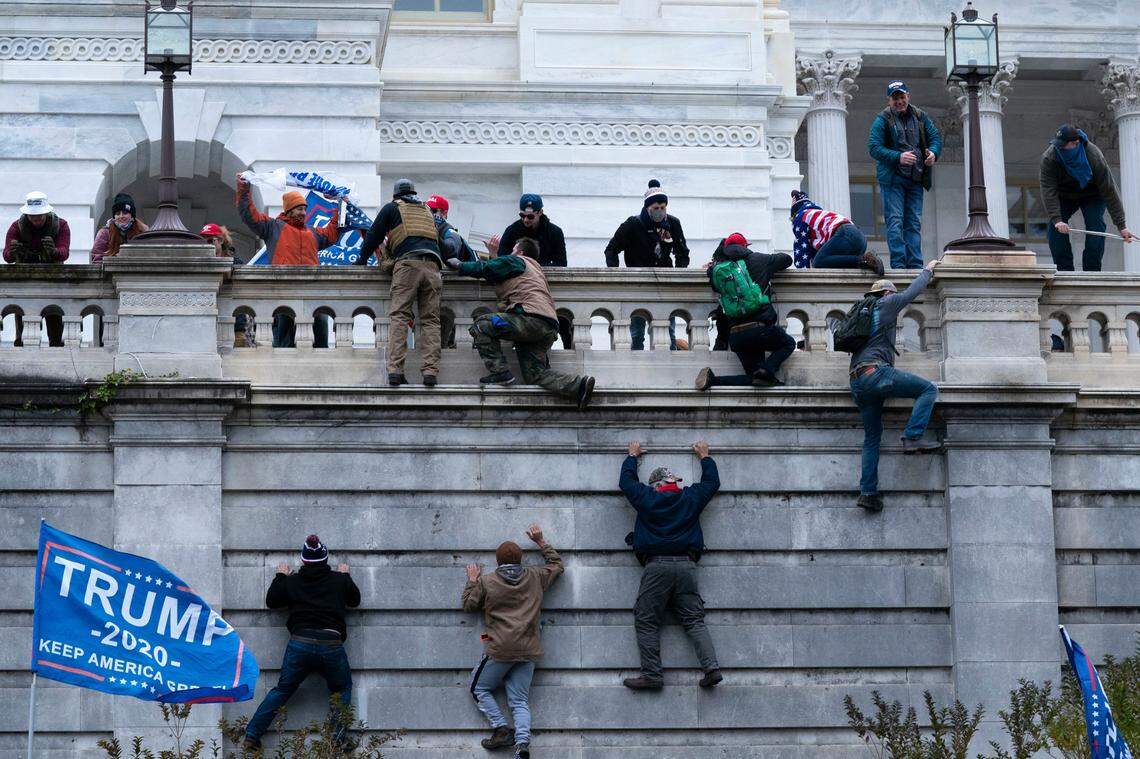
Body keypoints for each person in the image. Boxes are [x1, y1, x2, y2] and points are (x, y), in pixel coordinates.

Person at [244, 535, 361, 753]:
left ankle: (252, 734)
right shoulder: (338, 579)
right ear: (325, 559)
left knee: (283, 690)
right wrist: (347, 576)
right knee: (342, 688)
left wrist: (280, 576)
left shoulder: (292, 581)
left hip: (300, 644)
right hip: (331, 643)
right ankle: (337, 740)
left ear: (303, 561)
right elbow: (354, 600)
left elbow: (272, 601)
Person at [620, 440, 722, 691]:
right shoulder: (689, 498)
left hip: (657, 566)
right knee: (694, 620)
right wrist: (705, 457)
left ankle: (653, 675)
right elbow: (712, 484)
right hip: (687, 566)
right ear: (673, 483)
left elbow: (626, 484)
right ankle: (711, 668)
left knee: (646, 619)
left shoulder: (647, 498)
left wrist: (632, 456)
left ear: (655, 485)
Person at [447, 238, 596, 409]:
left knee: (482, 324)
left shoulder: (517, 260)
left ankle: (500, 372)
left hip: (529, 320)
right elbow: (500, 275)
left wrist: (460, 265)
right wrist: (494, 254)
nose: (511, 253)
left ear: (520, 252)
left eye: (513, 249)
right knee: (535, 375)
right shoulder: (535, 269)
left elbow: (487, 269)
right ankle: (579, 386)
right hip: (547, 326)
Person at [462, 523, 563, 759]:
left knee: (478, 687)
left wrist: (473, 580)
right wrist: (541, 542)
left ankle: (500, 729)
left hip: (501, 650)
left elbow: (468, 605)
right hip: (529, 649)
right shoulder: (536, 576)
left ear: (498, 562)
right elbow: (557, 565)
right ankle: (522, 745)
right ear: (520, 560)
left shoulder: (487, 581)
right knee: (519, 700)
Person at [848, 260, 942, 513]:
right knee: (928, 390)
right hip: (876, 373)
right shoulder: (887, 303)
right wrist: (928, 270)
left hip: (857, 380)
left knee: (872, 438)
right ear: (887, 293)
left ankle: (868, 493)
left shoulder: (863, 311)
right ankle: (912, 437)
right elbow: (911, 293)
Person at [354, 178, 443, 387]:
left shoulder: (392, 208)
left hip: (408, 264)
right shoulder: (428, 212)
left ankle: (396, 371)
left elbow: (373, 236)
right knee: (431, 320)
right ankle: (430, 372)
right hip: (433, 266)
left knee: (400, 316)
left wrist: (361, 260)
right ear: (414, 193)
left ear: (396, 195)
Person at [235, 175, 340, 348]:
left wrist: (339, 205)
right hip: (282, 293)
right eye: (299, 209)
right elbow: (249, 214)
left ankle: (321, 363)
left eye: (304, 209)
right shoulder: (272, 227)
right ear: (289, 210)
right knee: (284, 334)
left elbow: (333, 232)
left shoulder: (313, 233)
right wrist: (244, 189)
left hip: (311, 293)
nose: (303, 213)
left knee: (320, 322)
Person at [696, 233, 796, 389]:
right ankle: (767, 370)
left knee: (756, 379)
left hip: (736, 335)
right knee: (789, 343)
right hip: (759, 329)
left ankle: (713, 380)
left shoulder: (718, 270)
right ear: (744, 247)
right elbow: (787, 260)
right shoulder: (759, 259)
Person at [604, 180, 690, 350]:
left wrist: (679, 274)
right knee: (637, 332)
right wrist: (616, 274)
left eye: (663, 207)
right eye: (656, 208)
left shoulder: (672, 223)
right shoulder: (633, 224)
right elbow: (611, 249)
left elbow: (682, 251)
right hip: (638, 284)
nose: (660, 212)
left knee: (668, 332)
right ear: (647, 208)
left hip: (665, 283)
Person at [867, 81, 942, 270]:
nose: (899, 101)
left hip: (915, 179)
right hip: (893, 180)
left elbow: (935, 138)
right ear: (889, 100)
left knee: (913, 222)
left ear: (908, 96)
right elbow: (874, 148)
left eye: (902, 97)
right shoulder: (882, 119)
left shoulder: (920, 116)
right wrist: (898, 157)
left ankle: (916, 264)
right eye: (895, 98)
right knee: (895, 221)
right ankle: (899, 264)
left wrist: (933, 153)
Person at [1039, 124, 1135, 271]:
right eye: (1059, 145)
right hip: (1064, 195)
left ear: (1076, 144)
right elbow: (1048, 190)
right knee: (1054, 227)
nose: (1060, 148)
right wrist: (1057, 220)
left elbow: (1110, 191)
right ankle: (1064, 270)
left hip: (1093, 194)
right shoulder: (1050, 157)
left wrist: (1122, 226)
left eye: (1064, 145)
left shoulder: (1093, 156)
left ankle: (1092, 269)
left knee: (1095, 223)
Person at [3, 191, 70, 346]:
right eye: (32, 215)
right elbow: (7, 256)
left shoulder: (61, 225)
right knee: (23, 321)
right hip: (25, 281)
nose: (36, 219)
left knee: (54, 320)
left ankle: (56, 347)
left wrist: (53, 251)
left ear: (47, 212)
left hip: (52, 281)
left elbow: (64, 252)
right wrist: (13, 252)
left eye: (39, 215)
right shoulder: (16, 227)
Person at [790, 190, 884, 274]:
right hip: (859, 239)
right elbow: (818, 253)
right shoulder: (817, 215)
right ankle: (868, 261)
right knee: (827, 261)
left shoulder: (801, 216)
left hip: (845, 234)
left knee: (819, 262)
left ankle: (865, 260)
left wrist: (803, 274)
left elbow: (801, 248)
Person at [426, 194, 477, 349]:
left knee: (451, 342)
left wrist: (435, 235)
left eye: (435, 210)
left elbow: (451, 250)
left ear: (444, 213)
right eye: (428, 210)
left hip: (461, 293)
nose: (431, 213)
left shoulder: (449, 232)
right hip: (438, 290)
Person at [487, 193, 567, 268]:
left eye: (530, 216)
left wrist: (532, 267)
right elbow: (500, 260)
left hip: (543, 277)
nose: (525, 220)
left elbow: (561, 263)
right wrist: (493, 253)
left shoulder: (555, 232)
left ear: (540, 212)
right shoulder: (512, 230)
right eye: (522, 215)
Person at [90, 193, 149, 264]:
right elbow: (97, 259)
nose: (121, 216)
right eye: (118, 213)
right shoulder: (104, 233)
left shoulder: (140, 233)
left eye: (125, 213)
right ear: (114, 216)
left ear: (132, 216)